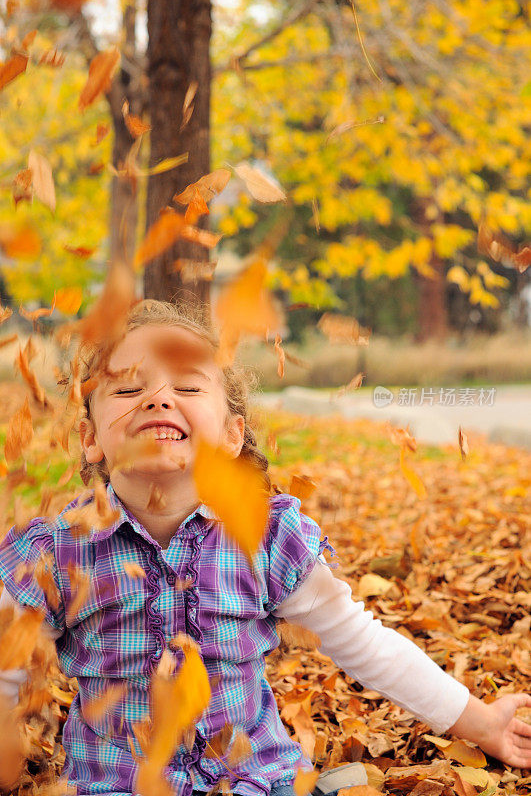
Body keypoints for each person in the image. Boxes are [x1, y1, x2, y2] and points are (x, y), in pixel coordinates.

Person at [0, 300, 529, 796]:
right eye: (125, 390)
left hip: (255, 779)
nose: (158, 399)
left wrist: (483, 724)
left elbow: (363, 642)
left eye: (187, 388)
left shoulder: (267, 537)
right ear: (91, 436)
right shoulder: (56, 552)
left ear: (232, 435)